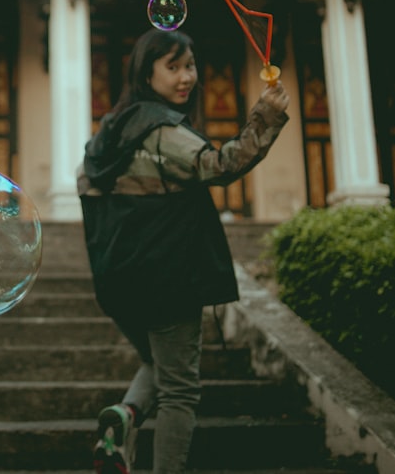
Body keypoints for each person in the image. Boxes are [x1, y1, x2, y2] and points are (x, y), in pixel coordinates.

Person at [77, 27, 290, 474]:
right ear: (146, 73)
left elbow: (87, 185)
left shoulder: (109, 133)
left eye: (189, 65)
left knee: (159, 363)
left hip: (118, 280)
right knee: (180, 391)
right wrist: (264, 116)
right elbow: (222, 164)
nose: (185, 77)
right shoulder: (164, 130)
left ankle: (126, 415)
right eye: (172, 67)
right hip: (167, 278)